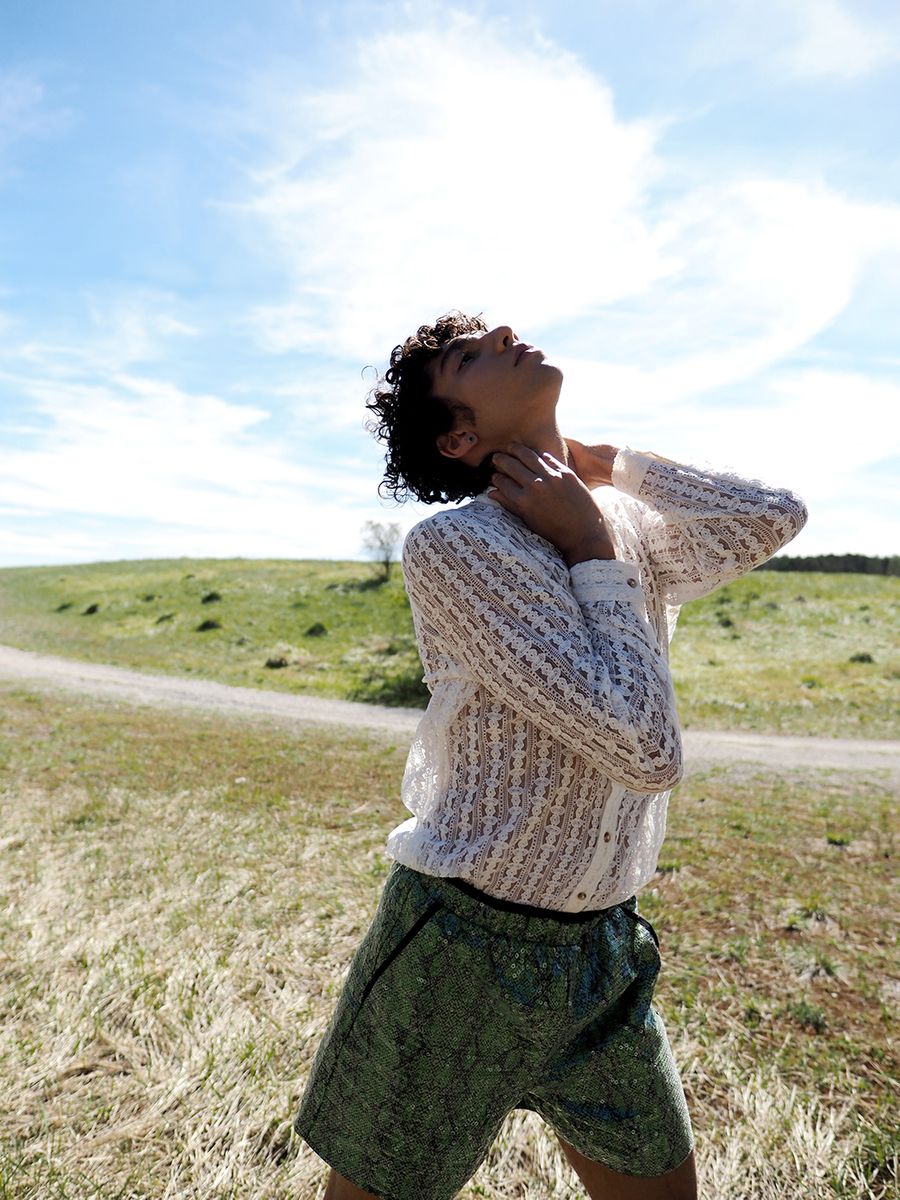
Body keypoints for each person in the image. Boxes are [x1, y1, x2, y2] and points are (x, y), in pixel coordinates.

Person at [293, 312, 808, 1200]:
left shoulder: (616, 517)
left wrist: (612, 468)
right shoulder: (458, 548)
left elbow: (775, 516)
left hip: (603, 949)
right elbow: (644, 749)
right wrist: (590, 549)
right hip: (462, 950)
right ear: (459, 438)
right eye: (469, 356)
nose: (502, 330)